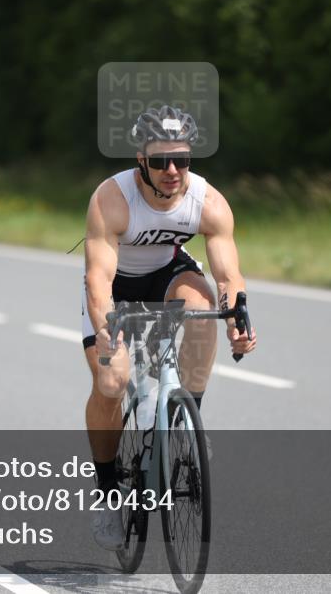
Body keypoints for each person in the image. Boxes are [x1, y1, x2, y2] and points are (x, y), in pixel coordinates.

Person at [82, 105, 257, 549]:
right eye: (160, 161)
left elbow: (227, 276)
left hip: (167, 275)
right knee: (113, 380)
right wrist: (106, 326)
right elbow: (98, 278)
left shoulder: (208, 202)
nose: (172, 170)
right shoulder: (112, 199)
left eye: (182, 159)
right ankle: (106, 494)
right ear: (141, 159)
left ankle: (185, 417)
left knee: (203, 310)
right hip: (115, 287)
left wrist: (236, 314)